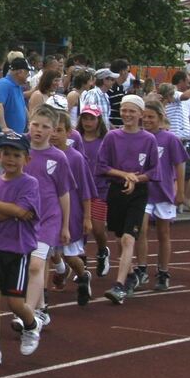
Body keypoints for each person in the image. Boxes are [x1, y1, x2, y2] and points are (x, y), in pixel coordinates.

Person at [0, 132, 43, 366]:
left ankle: (31, 325)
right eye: (5, 154)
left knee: (14, 303)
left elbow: (23, 212)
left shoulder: (30, 183)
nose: (10, 159)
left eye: (16, 155)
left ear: (26, 159)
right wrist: (11, 211)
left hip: (18, 251)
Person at [96, 95, 160, 304]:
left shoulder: (149, 139)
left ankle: (119, 285)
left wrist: (136, 178)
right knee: (118, 236)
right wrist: (125, 175)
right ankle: (131, 274)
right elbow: (102, 166)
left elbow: (153, 171)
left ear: (141, 114)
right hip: (116, 191)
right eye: (124, 110)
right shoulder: (112, 137)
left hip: (138, 193)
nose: (127, 114)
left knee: (128, 238)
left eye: (132, 111)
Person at [19, 105, 72, 327]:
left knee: (35, 265)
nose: (39, 130)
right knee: (28, 267)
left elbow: (64, 193)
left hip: (48, 219)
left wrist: (65, 226)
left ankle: (27, 315)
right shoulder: (19, 149)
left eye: (45, 127)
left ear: (53, 131)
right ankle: (40, 308)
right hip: (22, 218)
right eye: (35, 125)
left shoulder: (58, 157)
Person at [135, 100, 188, 291]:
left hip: (164, 191)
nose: (147, 120)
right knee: (140, 230)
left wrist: (180, 190)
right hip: (144, 192)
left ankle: (163, 271)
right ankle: (141, 268)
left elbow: (179, 164)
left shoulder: (169, 139)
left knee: (163, 233)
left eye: (151, 117)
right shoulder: (138, 137)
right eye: (145, 116)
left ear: (160, 118)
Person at [49, 113, 96, 305]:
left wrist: (87, 217)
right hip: (49, 213)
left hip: (71, 213)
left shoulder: (75, 158)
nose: (54, 134)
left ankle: (82, 274)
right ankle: (59, 274)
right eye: (51, 129)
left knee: (70, 254)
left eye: (59, 130)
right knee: (48, 250)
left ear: (69, 132)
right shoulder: (41, 153)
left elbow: (85, 190)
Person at [77, 105, 111, 277]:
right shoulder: (76, 139)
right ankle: (80, 260)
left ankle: (102, 250)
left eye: (91, 118)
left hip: (99, 189)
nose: (88, 122)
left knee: (97, 228)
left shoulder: (105, 141)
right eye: (85, 118)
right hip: (79, 190)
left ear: (98, 120)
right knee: (80, 227)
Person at [0, 57, 30, 135]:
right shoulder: (4, 84)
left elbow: (23, 107)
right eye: (27, 72)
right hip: (3, 140)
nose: (28, 75)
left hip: (15, 137)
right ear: (20, 72)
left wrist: (30, 122)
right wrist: (4, 127)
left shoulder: (17, 86)